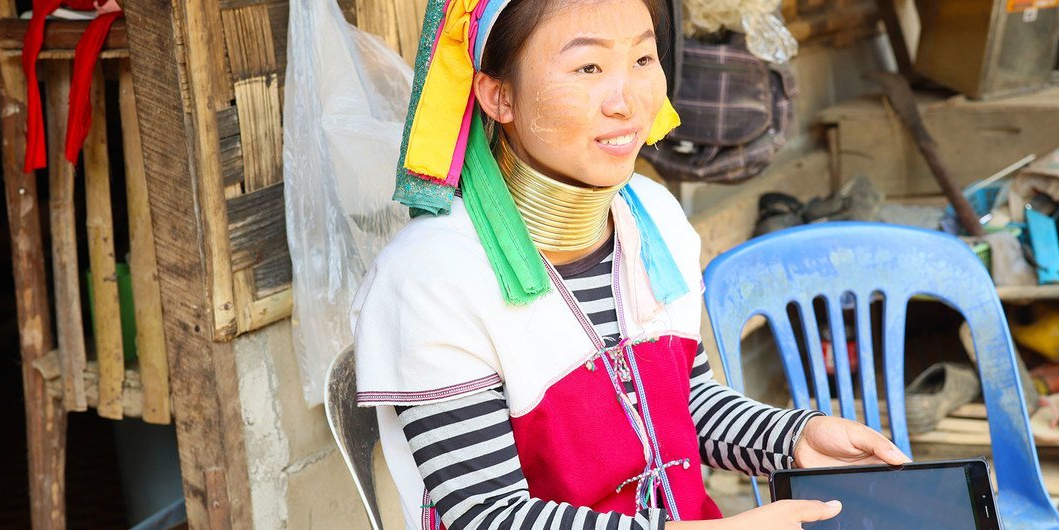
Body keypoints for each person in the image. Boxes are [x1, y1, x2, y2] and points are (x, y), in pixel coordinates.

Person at [350, 0, 910, 528]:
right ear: (500, 97)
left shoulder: (653, 219)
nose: (627, 100)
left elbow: (684, 405)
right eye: (588, 67)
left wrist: (792, 439)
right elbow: (490, 515)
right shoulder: (432, 278)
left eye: (643, 59)